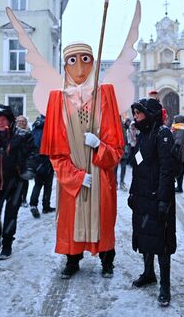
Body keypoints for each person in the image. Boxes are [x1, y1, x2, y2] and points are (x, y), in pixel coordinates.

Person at [40, 42, 124, 279]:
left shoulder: (104, 95)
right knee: (70, 219)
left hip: (100, 173)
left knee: (103, 218)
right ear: (65, 65)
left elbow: (116, 149)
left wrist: (100, 147)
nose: (79, 68)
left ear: (94, 63)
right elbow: (55, 152)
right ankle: (72, 259)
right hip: (73, 176)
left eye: (85, 59)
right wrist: (75, 176)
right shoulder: (57, 99)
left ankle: (108, 260)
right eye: (72, 60)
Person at [128, 98, 177, 307]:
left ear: (149, 114)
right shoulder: (144, 134)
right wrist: (133, 193)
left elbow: (167, 169)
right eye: (135, 114)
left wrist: (164, 199)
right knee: (145, 235)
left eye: (138, 113)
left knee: (162, 241)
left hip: (158, 197)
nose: (135, 117)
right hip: (142, 196)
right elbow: (138, 166)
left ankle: (165, 286)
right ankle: (149, 273)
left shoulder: (162, 134)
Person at [0, 104, 36, 259]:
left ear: (10, 120)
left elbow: (32, 154)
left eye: (4, 119)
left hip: (16, 182)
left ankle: (7, 244)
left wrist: (28, 169)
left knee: (11, 215)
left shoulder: (22, 136)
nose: (1, 122)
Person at [29, 115, 55, 218]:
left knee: (38, 184)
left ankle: (33, 204)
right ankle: (46, 206)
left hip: (36, 159)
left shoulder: (35, 127)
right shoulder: (49, 127)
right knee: (48, 185)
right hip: (47, 159)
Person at [171, 115, 184, 193]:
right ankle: (179, 186)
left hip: (178, 154)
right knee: (180, 170)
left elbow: (178, 141)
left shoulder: (179, 128)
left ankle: (179, 187)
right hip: (181, 154)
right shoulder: (181, 128)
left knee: (178, 170)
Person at [117, 118, 131, 191]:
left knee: (123, 167)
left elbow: (127, 140)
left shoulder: (125, 129)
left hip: (123, 151)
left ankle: (121, 182)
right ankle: (116, 183)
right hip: (117, 150)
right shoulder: (115, 128)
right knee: (115, 168)